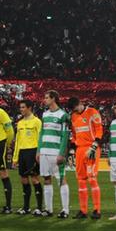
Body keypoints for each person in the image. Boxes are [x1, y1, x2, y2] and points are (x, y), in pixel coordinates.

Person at [68, 96, 104, 219]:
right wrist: (72, 151)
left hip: (91, 149)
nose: (75, 111)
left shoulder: (92, 112)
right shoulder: (73, 116)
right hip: (79, 150)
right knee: (81, 180)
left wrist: (94, 146)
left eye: (75, 108)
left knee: (92, 178)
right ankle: (83, 211)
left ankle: (96, 210)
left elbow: (99, 130)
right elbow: (74, 134)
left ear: (80, 103)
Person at [37, 90, 71, 218]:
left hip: (56, 152)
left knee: (61, 179)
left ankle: (65, 210)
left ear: (53, 99)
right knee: (46, 179)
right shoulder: (45, 114)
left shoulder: (63, 115)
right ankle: (48, 209)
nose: (44, 100)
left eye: (47, 98)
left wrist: (62, 153)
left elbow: (65, 135)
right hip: (44, 152)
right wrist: (39, 150)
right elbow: (42, 134)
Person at [13, 100, 44, 215]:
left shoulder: (37, 122)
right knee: (24, 179)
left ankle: (39, 207)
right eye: (20, 107)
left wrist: (39, 152)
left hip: (33, 152)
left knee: (35, 179)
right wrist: (15, 158)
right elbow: (17, 141)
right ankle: (26, 207)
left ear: (29, 108)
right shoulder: (20, 123)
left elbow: (40, 138)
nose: (21, 109)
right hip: (22, 153)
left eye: (23, 107)